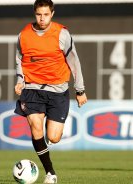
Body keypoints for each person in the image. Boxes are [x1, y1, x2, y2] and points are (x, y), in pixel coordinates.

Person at [14, 0, 87, 183]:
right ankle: (50, 173)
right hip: (32, 89)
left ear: (52, 14)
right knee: (35, 126)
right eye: (39, 14)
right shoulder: (23, 35)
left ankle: (45, 146)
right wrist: (20, 80)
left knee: (53, 137)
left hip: (58, 90)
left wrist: (80, 90)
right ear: (34, 13)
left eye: (46, 14)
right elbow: (19, 61)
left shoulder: (62, 34)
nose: (42, 18)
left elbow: (74, 62)